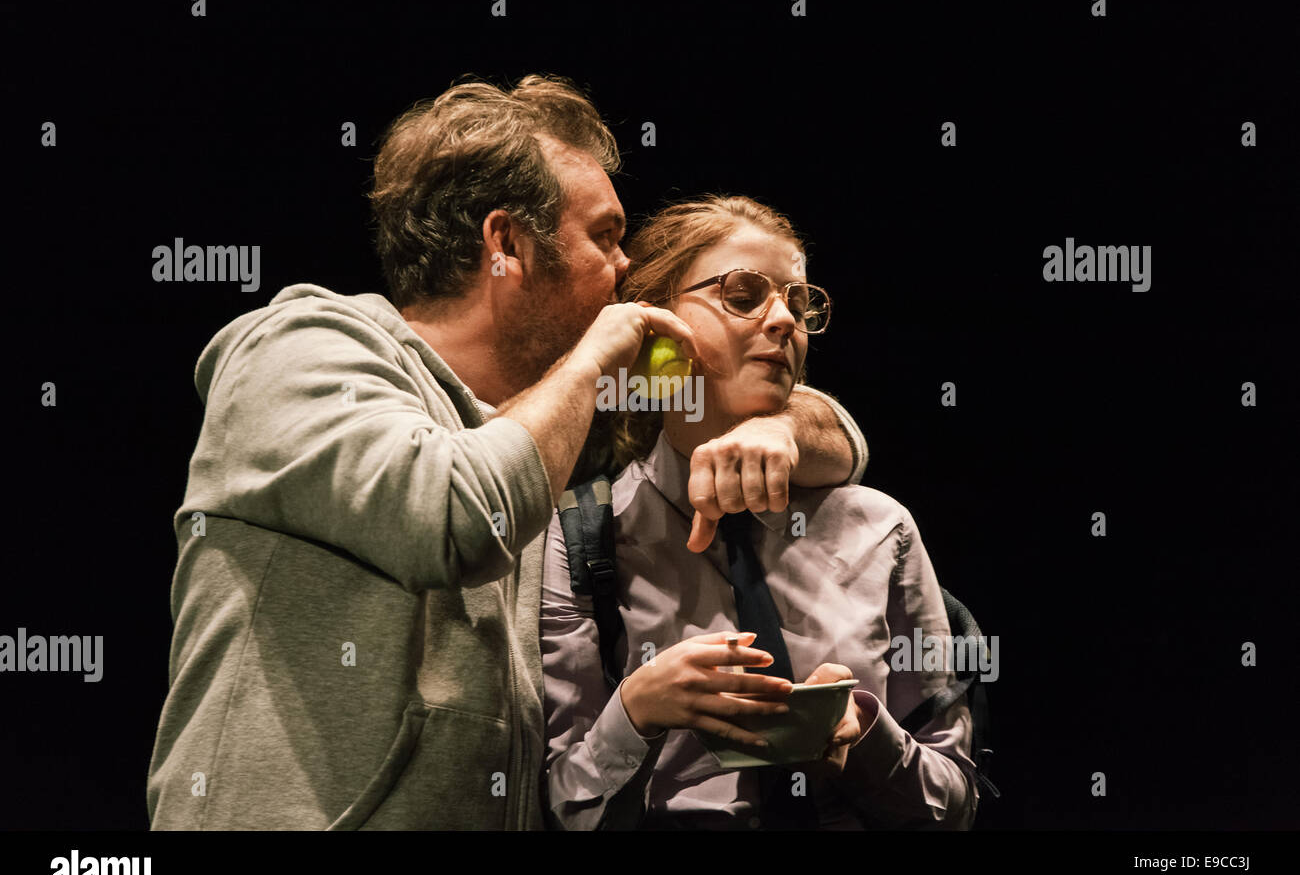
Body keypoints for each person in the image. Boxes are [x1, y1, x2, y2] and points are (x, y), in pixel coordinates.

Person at [146, 76, 869, 829]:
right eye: (604, 236)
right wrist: (593, 364)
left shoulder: (542, 419)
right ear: (507, 245)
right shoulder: (300, 351)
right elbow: (458, 513)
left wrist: (779, 428)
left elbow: (756, 405)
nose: (625, 270)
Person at [542, 195, 980, 830]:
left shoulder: (879, 527)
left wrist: (865, 739)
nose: (783, 320)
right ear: (656, 329)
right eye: (743, 295)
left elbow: (954, 804)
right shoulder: (582, 538)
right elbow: (561, 805)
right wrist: (635, 714)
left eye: (798, 304)